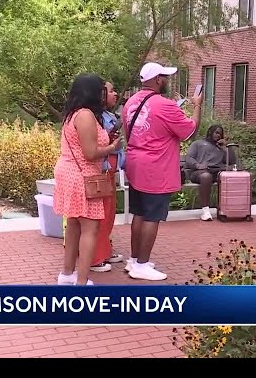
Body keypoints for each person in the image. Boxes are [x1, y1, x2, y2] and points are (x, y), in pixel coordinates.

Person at [122, 62, 203, 281]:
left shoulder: (130, 102)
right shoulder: (164, 105)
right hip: (155, 168)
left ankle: (134, 259)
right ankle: (142, 265)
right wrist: (197, 106)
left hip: (135, 163)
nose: (167, 80)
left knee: (139, 212)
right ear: (157, 79)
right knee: (152, 216)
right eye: (165, 77)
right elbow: (189, 130)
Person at [53, 73, 122, 286]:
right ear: (93, 91)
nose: (105, 93)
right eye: (103, 89)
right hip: (81, 175)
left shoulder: (73, 114)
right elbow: (90, 153)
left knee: (73, 225)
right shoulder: (85, 115)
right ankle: (82, 282)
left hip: (70, 173)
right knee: (90, 229)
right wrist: (112, 147)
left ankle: (67, 274)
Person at [89, 80, 125, 272]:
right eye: (111, 91)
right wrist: (112, 143)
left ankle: (106, 250)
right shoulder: (93, 118)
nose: (115, 94)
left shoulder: (109, 115)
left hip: (111, 167)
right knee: (101, 212)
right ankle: (96, 257)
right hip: (101, 167)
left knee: (110, 212)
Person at [185, 124, 227, 221]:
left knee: (230, 177)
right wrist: (197, 165)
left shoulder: (221, 148)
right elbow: (189, 158)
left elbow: (231, 161)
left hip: (216, 172)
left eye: (220, 134)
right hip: (199, 172)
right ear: (210, 132)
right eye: (216, 133)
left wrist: (225, 148)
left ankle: (227, 209)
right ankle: (205, 211)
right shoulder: (198, 143)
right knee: (206, 176)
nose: (218, 136)